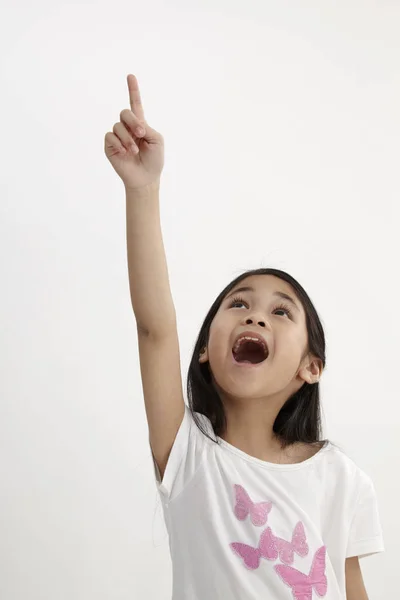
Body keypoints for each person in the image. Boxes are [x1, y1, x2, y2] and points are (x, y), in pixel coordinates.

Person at [104, 74, 384, 600]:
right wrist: (143, 190)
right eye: (238, 304)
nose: (255, 317)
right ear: (206, 350)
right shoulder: (188, 457)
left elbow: (351, 590)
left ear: (311, 366)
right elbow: (155, 328)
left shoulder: (341, 480)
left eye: (281, 312)